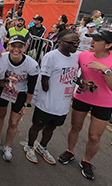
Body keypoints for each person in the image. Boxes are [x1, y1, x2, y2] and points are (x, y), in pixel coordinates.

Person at [58, 30, 112, 180]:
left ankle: (87, 161)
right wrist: (83, 83)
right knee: (75, 127)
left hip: (104, 103)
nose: (92, 42)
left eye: (97, 40)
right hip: (82, 97)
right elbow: (71, 75)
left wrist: (105, 70)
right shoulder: (82, 56)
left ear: (108, 45)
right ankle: (70, 151)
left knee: (94, 137)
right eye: (93, 39)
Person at [24, 30, 79, 165]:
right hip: (47, 102)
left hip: (63, 103)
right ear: (60, 42)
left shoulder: (75, 57)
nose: (76, 45)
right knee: (37, 125)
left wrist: (80, 83)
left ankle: (42, 147)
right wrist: (49, 93)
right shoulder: (51, 56)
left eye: (77, 42)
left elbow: (73, 76)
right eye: (71, 43)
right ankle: (30, 146)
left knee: (51, 127)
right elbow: (45, 79)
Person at [0, 35, 39, 162]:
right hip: (4, 89)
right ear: (8, 46)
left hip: (21, 93)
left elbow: (32, 87)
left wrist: (27, 105)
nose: (16, 49)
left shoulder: (31, 64)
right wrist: (7, 80)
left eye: (20, 46)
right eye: (13, 46)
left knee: (13, 122)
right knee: (0, 114)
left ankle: (7, 146)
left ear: (25, 47)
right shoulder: (2, 58)